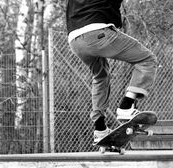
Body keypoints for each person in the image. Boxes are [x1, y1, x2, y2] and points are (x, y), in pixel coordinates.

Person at [66, 0, 158, 144]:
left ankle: (100, 128)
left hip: (75, 41)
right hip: (97, 33)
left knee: (100, 76)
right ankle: (126, 106)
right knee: (147, 60)